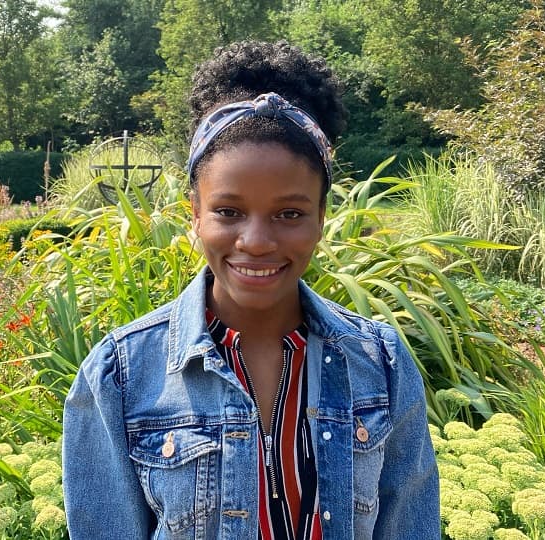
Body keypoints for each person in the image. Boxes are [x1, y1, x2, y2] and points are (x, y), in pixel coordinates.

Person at [62, 40, 440, 539]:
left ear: (322, 218)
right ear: (193, 214)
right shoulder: (121, 375)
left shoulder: (381, 364)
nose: (256, 242)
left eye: (289, 214)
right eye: (228, 211)